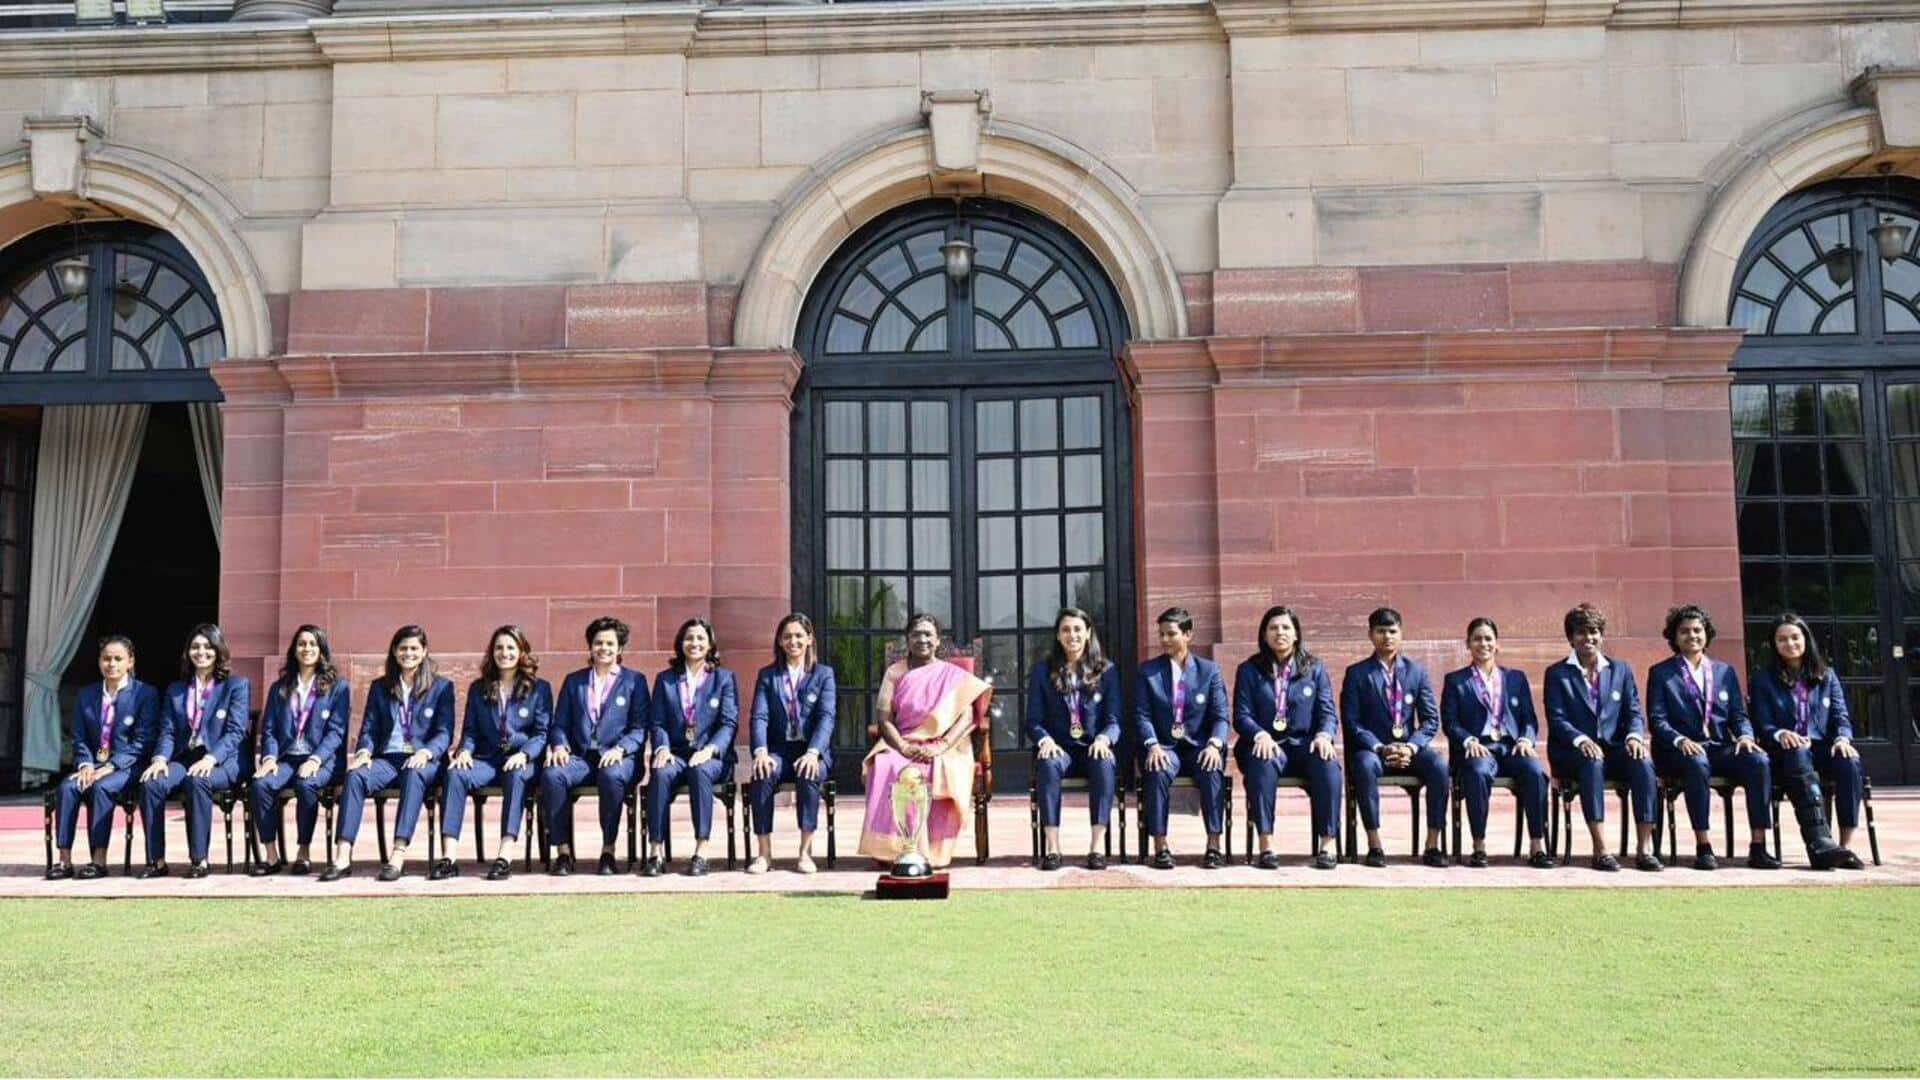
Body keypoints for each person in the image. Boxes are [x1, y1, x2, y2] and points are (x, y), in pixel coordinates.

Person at [1647, 604, 1779, 870]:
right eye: (1684, 631)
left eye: (1697, 630)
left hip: (1719, 747)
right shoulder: (1661, 673)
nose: (1692, 636)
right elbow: (1657, 720)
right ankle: (1703, 846)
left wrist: (1745, 736)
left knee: (1759, 761)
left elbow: (1738, 715)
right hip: (1679, 751)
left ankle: (1758, 845)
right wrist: (1680, 740)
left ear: (1706, 634)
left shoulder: (1724, 672)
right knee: (1697, 763)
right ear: (1674, 637)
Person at [857, 614, 992, 869]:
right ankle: (892, 850)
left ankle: (931, 852)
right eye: (916, 634)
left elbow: (966, 717)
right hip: (903, 740)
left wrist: (942, 745)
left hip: (945, 745)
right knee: (885, 765)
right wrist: (904, 747)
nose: (922, 639)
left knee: (936, 769)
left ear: (938, 640)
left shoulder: (951, 674)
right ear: (907, 640)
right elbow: (884, 719)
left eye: (928, 634)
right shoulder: (895, 672)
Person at [322, 625, 455, 882]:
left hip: (424, 760)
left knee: (414, 774)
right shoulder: (381, 687)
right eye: (403, 648)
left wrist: (426, 752)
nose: (408, 653)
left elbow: (444, 732)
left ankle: (398, 854)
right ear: (394, 652)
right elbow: (369, 728)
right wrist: (363, 752)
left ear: (425, 651)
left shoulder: (441, 687)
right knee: (355, 777)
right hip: (388, 758)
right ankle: (343, 855)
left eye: (414, 648)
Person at [1544, 602, 1662, 872]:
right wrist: (1582, 740)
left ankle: (1644, 849)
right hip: (1573, 753)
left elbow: (1633, 710)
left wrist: (1634, 736)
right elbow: (1557, 719)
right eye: (1582, 632)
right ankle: (1601, 850)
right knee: (1592, 763)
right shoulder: (1557, 673)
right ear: (1571, 638)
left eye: (1595, 631)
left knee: (1643, 763)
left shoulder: (1620, 670)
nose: (1589, 638)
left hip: (1615, 749)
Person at [1749, 612, 1865, 870]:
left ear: (1805, 639)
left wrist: (1843, 739)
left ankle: (1843, 846)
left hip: (1821, 748)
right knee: (1798, 753)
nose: (1790, 644)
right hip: (1784, 753)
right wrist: (1780, 734)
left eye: (1795, 637)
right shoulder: (1763, 679)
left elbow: (1840, 716)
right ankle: (1819, 841)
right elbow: (1762, 724)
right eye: (1782, 639)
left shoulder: (1827, 675)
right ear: (1774, 644)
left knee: (1849, 762)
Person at [434, 625, 550, 882]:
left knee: (517, 774)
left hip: (522, 760)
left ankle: (504, 856)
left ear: (521, 652)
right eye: (499, 647)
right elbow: (471, 731)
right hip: (488, 760)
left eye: (510, 647)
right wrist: (464, 752)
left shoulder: (539, 688)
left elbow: (542, 734)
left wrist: (526, 755)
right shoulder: (479, 688)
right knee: (455, 774)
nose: (504, 653)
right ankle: (449, 858)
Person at [137, 624, 252, 878]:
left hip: (223, 761)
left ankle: (199, 860)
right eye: (195, 647)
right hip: (185, 756)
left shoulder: (237, 686)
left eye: (207, 646)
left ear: (218, 650)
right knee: (151, 783)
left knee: (198, 780)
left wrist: (211, 759)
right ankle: (155, 860)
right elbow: (167, 730)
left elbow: (234, 732)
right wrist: (159, 759)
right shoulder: (177, 690)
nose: (201, 652)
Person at [1234, 605, 1341, 870]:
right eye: (1273, 628)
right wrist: (1259, 734)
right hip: (1264, 746)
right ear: (1264, 634)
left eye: (1285, 628)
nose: (1279, 633)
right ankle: (1266, 844)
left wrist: (1325, 735)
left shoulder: (1314, 668)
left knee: (1328, 763)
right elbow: (1241, 714)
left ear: (1296, 634)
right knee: (1262, 760)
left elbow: (1327, 711)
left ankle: (1327, 843)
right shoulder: (1249, 669)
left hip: (1304, 745)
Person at [1439, 618, 1551, 869]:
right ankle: (1479, 845)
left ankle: (1537, 845)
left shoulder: (1515, 678)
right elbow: (1450, 721)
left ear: (1497, 644)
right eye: (1477, 638)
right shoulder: (1456, 680)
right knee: (1477, 772)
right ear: (1468, 644)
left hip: (1511, 747)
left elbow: (1529, 719)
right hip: (1477, 748)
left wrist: (1526, 739)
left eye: (1488, 638)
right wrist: (1468, 740)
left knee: (1534, 772)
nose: (1483, 644)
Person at [1339, 607, 1447, 867]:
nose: (1387, 636)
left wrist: (1410, 747)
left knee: (1440, 766)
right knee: (1363, 766)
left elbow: (1431, 720)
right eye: (1380, 631)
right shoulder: (1357, 673)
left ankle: (1432, 844)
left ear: (1401, 634)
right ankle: (1374, 845)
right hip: (1374, 751)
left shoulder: (1416, 672)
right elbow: (1351, 721)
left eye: (1392, 631)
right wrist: (1380, 748)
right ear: (1370, 635)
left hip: (1409, 750)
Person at [542, 616, 649, 876]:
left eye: (610, 643)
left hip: (620, 759)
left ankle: (608, 851)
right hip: (580, 757)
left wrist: (620, 749)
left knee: (611, 776)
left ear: (620, 648)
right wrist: (559, 746)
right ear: (590, 647)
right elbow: (559, 724)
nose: (604, 648)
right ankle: (564, 853)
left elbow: (639, 728)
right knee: (552, 775)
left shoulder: (634, 681)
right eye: (598, 643)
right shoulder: (574, 681)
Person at [48, 635, 159, 880]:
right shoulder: (87, 695)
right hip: (93, 764)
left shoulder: (145, 694)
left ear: (130, 662)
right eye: (106, 658)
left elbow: (144, 741)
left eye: (118, 659)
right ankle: (64, 860)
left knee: (101, 788)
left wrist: (110, 766)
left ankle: (98, 860)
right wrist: (86, 763)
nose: (112, 664)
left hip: (127, 766)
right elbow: (79, 737)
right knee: (68, 787)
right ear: (99, 661)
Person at [640, 617, 738, 878]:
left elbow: (729, 723)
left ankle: (701, 851)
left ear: (710, 645)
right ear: (680, 643)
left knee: (700, 772)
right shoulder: (666, 679)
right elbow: (657, 722)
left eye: (700, 639)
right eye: (689, 638)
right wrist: (661, 748)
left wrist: (710, 749)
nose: (694, 643)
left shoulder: (724, 679)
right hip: (676, 754)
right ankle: (655, 851)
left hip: (711, 756)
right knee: (660, 774)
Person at [249, 625, 349, 876]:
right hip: (286, 757)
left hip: (322, 760)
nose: (307, 649)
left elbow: (336, 732)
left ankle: (303, 851)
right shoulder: (279, 688)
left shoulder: (338, 688)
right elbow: (269, 728)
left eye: (312, 644)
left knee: (306, 784)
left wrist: (316, 759)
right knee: (261, 785)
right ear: (294, 650)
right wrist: (269, 758)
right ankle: (271, 855)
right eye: (302, 644)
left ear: (321, 650)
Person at [1135, 607, 1230, 869]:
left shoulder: (1209, 671)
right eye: (1161, 634)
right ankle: (1160, 846)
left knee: (1212, 769)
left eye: (1171, 634)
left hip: (1199, 746)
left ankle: (1213, 845)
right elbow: (1142, 715)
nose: (1164, 640)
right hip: (1165, 747)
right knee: (1157, 769)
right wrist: (1152, 746)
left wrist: (1214, 744)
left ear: (1188, 634)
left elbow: (1221, 716)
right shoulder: (1149, 672)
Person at [1026, 607, 1120, 871]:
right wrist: (1044, 740)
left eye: (1078, 629)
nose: (1072, 635)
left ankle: (1096, 847)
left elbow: (1114, 719)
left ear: (1088, 633)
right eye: (1066, 630)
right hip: (1060, 749)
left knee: (1104, 762)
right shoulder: (1043, 671)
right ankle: (1053, 848)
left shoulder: (1107, 671)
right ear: (1057, 636)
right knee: (1048, 764)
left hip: (1092, 747)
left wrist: (1104, 739)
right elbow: (1033, 720)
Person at [746, 613, 836, 875]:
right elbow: (759, 716)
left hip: (811, 749)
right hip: (779, 750)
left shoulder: (823, 674)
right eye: (787, 636)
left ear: (809, 639)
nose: (793, 641)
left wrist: (813, 752)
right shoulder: (767, 675)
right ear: (779, 641)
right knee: (762, 773)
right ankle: (764, 853)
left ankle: (805, 852)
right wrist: (760, 751)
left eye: (798, 635)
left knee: (809, 773)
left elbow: (826, 717)